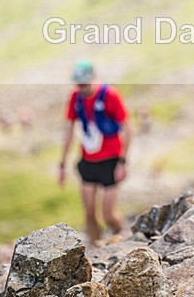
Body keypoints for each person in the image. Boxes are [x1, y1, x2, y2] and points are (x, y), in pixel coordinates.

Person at [58, 60, 131, 247]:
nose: (82, 88)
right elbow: (69, 131)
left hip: (111, 160)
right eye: (79, 84)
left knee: (108, 214)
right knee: (89, 212)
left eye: (85, 84)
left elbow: (127, 129)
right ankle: (95, 247)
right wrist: (62, 164)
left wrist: (122, 162)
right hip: (88, 161)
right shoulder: (75, 98)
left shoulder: (110, 95)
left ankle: (122, 238)